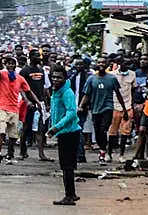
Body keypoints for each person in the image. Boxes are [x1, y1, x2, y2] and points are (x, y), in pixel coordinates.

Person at [79, 57, 129, 166]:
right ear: (96, 64)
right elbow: (87, 95)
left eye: (103, 62)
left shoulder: (112, 78)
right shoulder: (91, 79)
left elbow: (118, 94)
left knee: (103, 129)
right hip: (96, 109)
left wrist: (124, 109)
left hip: (108, 107)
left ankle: (103, 151)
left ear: (107, 64)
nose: (101, 64)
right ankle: (102, 150)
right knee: (97, 132)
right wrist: (81, 105)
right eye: (99, 62)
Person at [0, 56, 43, 164]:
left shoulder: (20, 78)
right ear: (5, 65)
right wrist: (0, 59)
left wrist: (38, 102)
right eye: (8, 63)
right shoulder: (3, 74)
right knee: (1, 131)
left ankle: (10, 154)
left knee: (13, 135)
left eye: (12, 64)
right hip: (2, 107)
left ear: (15, 65)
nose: (10, 65)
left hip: (14, 108)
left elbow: (29, 91)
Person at [47, 66, 82, 206]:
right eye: (54, 77)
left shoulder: (67, 92)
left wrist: (56, 127)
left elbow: (72, 113)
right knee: (67, 166)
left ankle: (69, 196)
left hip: (69, 133)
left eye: (59, 77)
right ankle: (72, 193)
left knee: (67, 166)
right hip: (64, 133)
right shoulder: (56, 91)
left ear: (65, 78)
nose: (55, 80)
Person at [19, 49, 53, 161]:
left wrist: (47, 103)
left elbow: (44, 87)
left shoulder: (41, 70)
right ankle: (22, 151)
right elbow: (21, 88)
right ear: (31, 57)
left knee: (40, 128)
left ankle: (41, 154)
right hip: (27, 103)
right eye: (37, 55)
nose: (39, 57)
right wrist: (27, 101)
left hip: (40, 102)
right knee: (25, 127)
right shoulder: (24, 71)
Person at [108, 59, 136, 162]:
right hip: (115, 106)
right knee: (112, 132)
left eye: (129, 64)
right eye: (125, 63)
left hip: (127, 106)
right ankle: (109, 153)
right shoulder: (112, 75)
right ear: (120, 64)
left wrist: (132, 105)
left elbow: (133, 89)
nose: (127, 65)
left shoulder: (132, 74)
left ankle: (121, 155)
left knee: (125, 132)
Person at [68, 58, 92, 163]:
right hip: (72, 106)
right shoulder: (71, 76)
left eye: (80, 65)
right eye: (76, 65)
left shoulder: (88, 77)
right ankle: (76, 153)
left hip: (82, 107)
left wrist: (85, 105)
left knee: (79, 130)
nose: (78, 67)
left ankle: (80, 154)